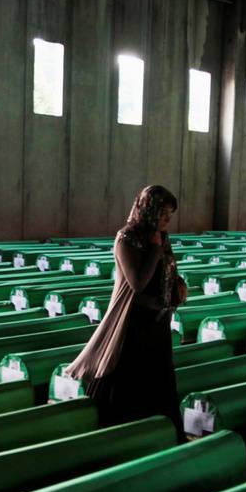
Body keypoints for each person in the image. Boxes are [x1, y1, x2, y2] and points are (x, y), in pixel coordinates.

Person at [66, 185, 188, 435]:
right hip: (135, 323)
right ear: (149, 210)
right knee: (127, 380)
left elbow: (167, 270)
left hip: (158, 321)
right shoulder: (127, 238)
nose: (167, 219)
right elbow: (138, 283)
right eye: (163, 213)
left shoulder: (160, 236)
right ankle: (117, 434)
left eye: (169, 214)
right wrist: (154, 248)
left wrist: (178, 285)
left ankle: (157, 434)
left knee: (158, 380)